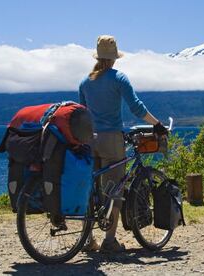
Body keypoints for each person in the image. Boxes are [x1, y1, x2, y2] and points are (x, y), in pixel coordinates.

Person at [78, 35, 167, 253]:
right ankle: (109, 241)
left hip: (89, 140)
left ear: (98, 56)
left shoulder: (85, 82)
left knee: (89, 189)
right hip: (111, 140)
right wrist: (157, 124)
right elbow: (136, 108)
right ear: (115, 57)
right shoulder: (119, 79)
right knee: (114, 190)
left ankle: (87, 240)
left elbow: (82, 114)